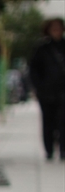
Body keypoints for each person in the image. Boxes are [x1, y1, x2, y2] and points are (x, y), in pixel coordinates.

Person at [29, 17, 65, 161]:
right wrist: (39, 88)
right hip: (46, 92)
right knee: (48, 122)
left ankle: (63, 149)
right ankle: (49, 149)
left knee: (63, 121)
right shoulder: (41, 48)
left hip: (63, 91)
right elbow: (33, 70)